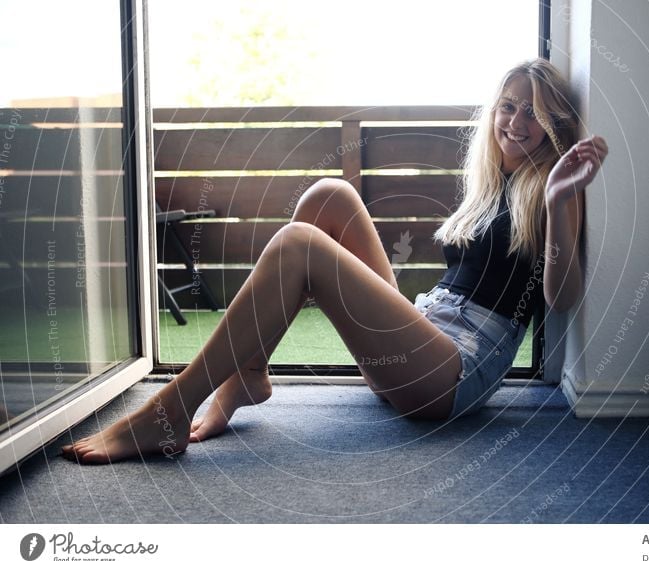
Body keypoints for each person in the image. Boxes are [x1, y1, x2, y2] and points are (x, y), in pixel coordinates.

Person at [62, 58, 608, 464]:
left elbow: (560, 297)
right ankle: (249, 374)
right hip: (426, 328)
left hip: (454, 371)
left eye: (531, 112)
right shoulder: (495, 182)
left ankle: (170, 412)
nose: (515, 121)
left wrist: (560, 200)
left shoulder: (554, 187)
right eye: (507, 106)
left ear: (553, 122)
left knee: (299, 244)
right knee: (329, 195)